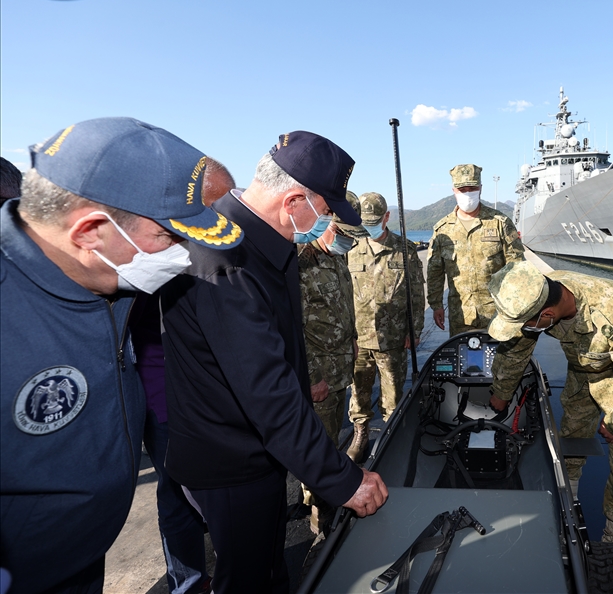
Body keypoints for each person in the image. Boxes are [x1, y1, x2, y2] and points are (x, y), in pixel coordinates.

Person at [0, 117, 242, 594]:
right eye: (171, 239)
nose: (184, 256)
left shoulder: (106, 273)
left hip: (84, 560)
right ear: (91, 231)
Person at [160, 131, 389, 593]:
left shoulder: (256, 242)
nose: (324, 225)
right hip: (229, 459)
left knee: (268, 570)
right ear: (294, 201)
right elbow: (267, 394)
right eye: (324, 211)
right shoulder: (226, 259)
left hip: (254, 449)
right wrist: (343, 480)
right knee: (245, 579)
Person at [487, 261, 613, 545]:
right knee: (572, 434)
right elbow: (517, 348)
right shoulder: (538, 292)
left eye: (527, 324)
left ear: (548, 315)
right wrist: (500, 394)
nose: (525, 329)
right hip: (583, 368)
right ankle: (570, 496)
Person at [130, 158, 236, 594]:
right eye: (218, 207)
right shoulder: (149, 256)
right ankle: (189, 581)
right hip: (165, 400)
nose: (226, 218)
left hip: (207, 395)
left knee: (218, 494)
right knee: (179, 495)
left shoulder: (215, 248)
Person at [296, 190, 368, 532]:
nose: (348, 244)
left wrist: (352, 337)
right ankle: (320, 520)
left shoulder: (335, 256)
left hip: (340, 368)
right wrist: (311, 378)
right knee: (319, 448)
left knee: (332, 439)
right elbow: (291, 326)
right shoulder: (298, 261)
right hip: (319, 375)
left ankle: (324, 500)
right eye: (343, 236)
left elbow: (343, 302)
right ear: (325, 223)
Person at [346, 191, 425, 462]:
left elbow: (416, 293)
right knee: (359, 393)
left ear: (386, 217)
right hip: (358, 336)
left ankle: (391, 437)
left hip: (392, 338)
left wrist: (413, 332)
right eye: (364, 221)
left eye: (374, 220)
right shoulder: (351, 248)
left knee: (393, 397)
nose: (369, 226)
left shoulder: (405, 250)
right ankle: (360, 433)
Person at [426, 163, 524, 336]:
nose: (467, 193)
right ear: (454, 191)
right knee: (463, 361)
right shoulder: (442, 229)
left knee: (498, 361)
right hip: (461, 316)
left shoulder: (500, 223)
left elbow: (517, 268)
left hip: (498, 315)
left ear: (480, 188)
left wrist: (516, 306)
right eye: (462, 189)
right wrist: (436, 305)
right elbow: (435, 272)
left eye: (472, 188)